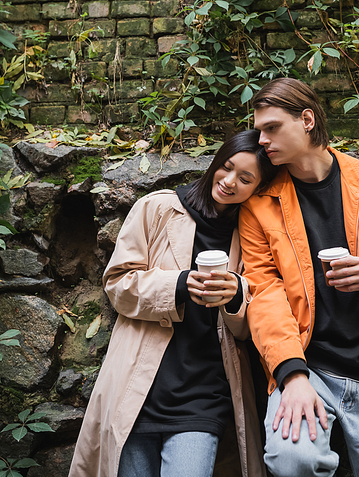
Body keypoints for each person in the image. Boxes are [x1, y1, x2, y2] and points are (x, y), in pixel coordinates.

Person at [238, 78, 359, 477]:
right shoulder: (259, 206)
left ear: (307, 120)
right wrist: (291, 374)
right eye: (258, 130)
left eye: (271, 128)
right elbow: (265, 296)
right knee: (293, 460)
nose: (261, 140)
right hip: (310, 367)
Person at [69, 130, 278, 477]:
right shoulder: (157, 208)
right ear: (214, 163)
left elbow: (252, 319)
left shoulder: (252, 232)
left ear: (258, 187)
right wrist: (178, 284)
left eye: (245, 178)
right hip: (139, 387)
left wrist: (236, 294)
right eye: (225, 168)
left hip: (205, 390)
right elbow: (118, 284)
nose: (229, 182)